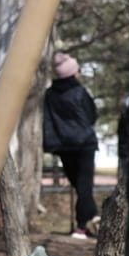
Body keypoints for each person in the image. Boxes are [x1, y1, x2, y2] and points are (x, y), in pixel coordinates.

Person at [43, 51, 99, 238]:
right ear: (73, 72)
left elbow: (48, 121)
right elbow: (92, 115)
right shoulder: (79, 92)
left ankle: (91, 217)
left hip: (64, 146)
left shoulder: (50, 95)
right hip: (84, 144)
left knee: (80, 187)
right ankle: (83, 226)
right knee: (84, 187)